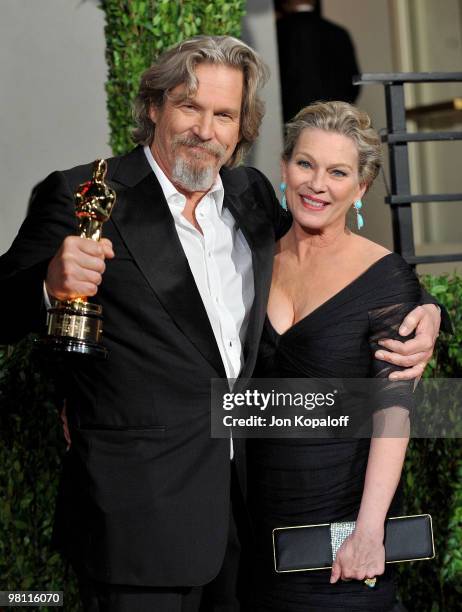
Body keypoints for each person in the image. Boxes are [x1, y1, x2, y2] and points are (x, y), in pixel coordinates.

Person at [0, 37, 442, 612]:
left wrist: (429, 309)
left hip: (249, 524)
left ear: (241, 128)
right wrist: (48, 284)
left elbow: (334, 262)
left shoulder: (250, 195)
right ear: (155, 107)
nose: (204, 129)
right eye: (189, 106)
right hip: (139, 525)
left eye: (224, 114)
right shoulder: (85, 192)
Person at [245, 101, 432, 612]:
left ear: (360, 188)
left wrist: (370, 532)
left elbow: (393, 411)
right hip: (252, 527)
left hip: (340, 534)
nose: (317, 184)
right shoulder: (253, 256)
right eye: (305, 164)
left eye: (338, 172)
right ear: (284, 168)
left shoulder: (385, 275)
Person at [276, 0, 361, 122]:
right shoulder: (338, 33)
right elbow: (353, 82)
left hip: (291, 122)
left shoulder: (276, 32)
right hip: (335, 119)